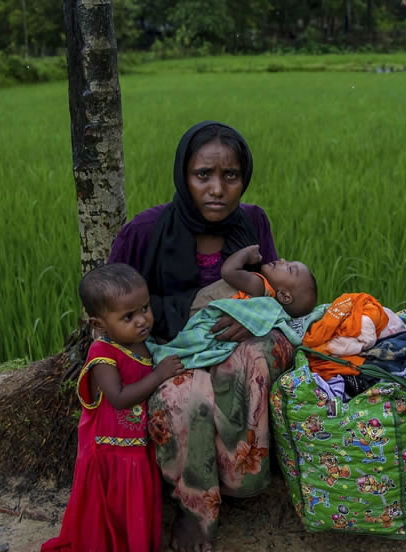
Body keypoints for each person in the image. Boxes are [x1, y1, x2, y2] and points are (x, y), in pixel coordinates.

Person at [108, 121, 297, 551]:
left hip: (239, 341)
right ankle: (196, 509)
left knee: (252, 358)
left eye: (230, 176)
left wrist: (253, 314)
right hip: (173, 344)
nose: (217, 188)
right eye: (203, 175)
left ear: (243, 179)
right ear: (183, 175)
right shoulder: (146, 230)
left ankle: (239, 477)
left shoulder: (252, 222)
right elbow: (113, 305)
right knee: (182, 398)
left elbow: (272, 292)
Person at [41, 263, 185, 552]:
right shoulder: (102, 352)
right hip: (111, 452)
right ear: (99, 324)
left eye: (145, 308)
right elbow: (118, 398)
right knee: (113, 511)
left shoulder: (143, 343)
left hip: (136, 448)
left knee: (138, 506)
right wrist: (159, 375)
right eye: (128, 316)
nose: (142, 320)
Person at [221, 244, 317, 317]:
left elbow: (228, 271)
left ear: (283, 296)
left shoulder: (259, 286)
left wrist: (246, 253)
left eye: (289, 268)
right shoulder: (268, 312)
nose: (282, 260)